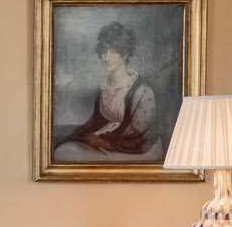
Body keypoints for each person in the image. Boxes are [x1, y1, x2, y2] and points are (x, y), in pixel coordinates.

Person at [62, 21, 159, 157]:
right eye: (104, 50)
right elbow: (96, 122)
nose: (106, 57)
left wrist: (103, 142)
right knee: (64, 149)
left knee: (69, 155)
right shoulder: (104, 87)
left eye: (113, 51)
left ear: (125, 54)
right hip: (107, 138)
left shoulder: (142, 91)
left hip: (133, 149)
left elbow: (140, 135)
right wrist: (75, 136)